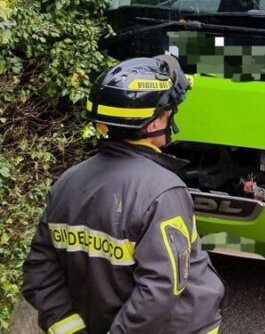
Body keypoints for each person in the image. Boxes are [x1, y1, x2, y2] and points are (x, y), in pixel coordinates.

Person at [22, 55, 226, 334]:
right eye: (168, 110)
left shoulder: (67, 182)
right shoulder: (163, 192)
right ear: (154, 123)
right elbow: (161, 289)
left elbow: (40, 272)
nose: (171, 116)